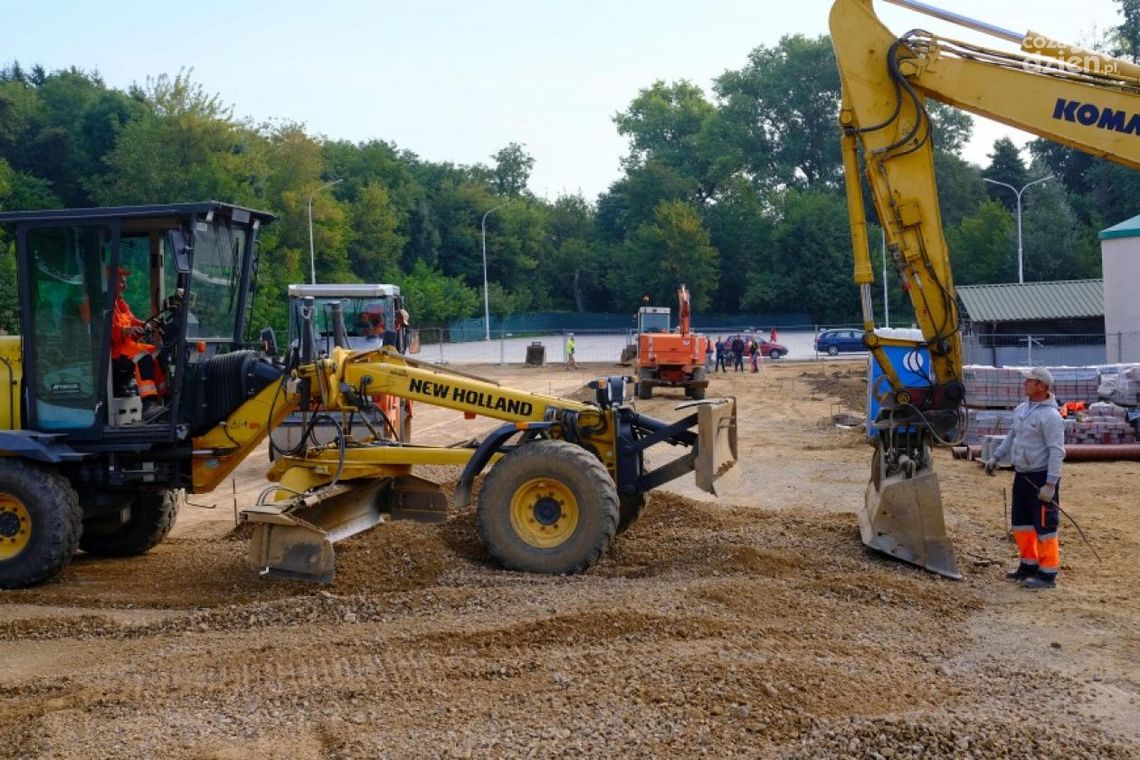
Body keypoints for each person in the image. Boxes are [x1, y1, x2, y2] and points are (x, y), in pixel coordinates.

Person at [984, 367, 1066, 589]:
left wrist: (1050, 484)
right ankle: (1028, 564)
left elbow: (1057, 452)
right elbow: (1012, 436)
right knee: (1022, 525)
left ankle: (1047, 573)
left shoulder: (1051, 417)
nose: (1024, 384)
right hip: (1021, 476)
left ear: (1041, 386)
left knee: (1045, 527)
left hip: (1040, 478)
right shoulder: (1022, 409)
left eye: (1029, 381)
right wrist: (996, 457)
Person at [110, 268, 165, 419]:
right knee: (144, 356)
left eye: (124, 279)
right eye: (120, 280)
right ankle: (148, 403)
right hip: (116, 350)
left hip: (128, 345)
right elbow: (106, 331)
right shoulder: (104, 304)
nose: (124, 283)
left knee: (158, 351)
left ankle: (164, 396)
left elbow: (132, 319)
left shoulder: (120, 303)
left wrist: (145, 324)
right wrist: (126, 331)